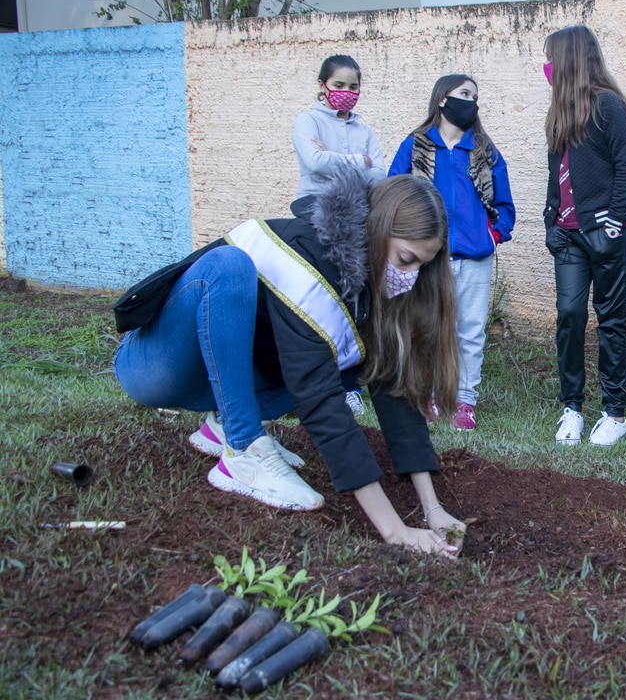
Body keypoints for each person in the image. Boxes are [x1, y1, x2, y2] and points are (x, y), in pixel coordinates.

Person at [113, 171, 466, 557]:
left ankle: (223, 426)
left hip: (213, 381)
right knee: (229, 267)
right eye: (406, 260)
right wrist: (394, 529)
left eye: (422, 267)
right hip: (154, 366)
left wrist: (433, 509)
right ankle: (243, 446)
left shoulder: (366, 283)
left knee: (356, 358)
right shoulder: (309, 259)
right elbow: (320, 399)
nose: (411, 278)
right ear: (378, 229)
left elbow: (389, 385)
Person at [388, 75, 515, 431]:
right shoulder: (415, 147)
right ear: (442, 99)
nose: (471, 101)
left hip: (475, 257)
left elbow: (504, 205)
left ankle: (465, 402)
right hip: (431, 257)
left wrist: (492, 236)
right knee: (427, 327)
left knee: (470, 331)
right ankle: (427, 395)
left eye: (475, 96)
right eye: (464, 94)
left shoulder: (484, 149)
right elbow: (393, 196)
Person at [542, 25, 626, 447]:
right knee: (569, 316)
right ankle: (572, 408)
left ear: (569, 60)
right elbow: (556, 173)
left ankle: (614, 414)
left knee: (612, 321)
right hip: (567, 237)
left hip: (605, 234)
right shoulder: (560, 110)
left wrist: (614, 221)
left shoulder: (608, 105)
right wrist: (550, 220)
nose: (546, 67)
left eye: (551, 58)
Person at [293, 55, 386, 199]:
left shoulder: (365, 133)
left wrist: (330, 159)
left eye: (353, 87)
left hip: (357, 210)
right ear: (322, 85)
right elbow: (316, 163)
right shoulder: (308, 121)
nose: (346, 92)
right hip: (313, 209)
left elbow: (379, 177)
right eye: (339, 85)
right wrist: (363, 161)